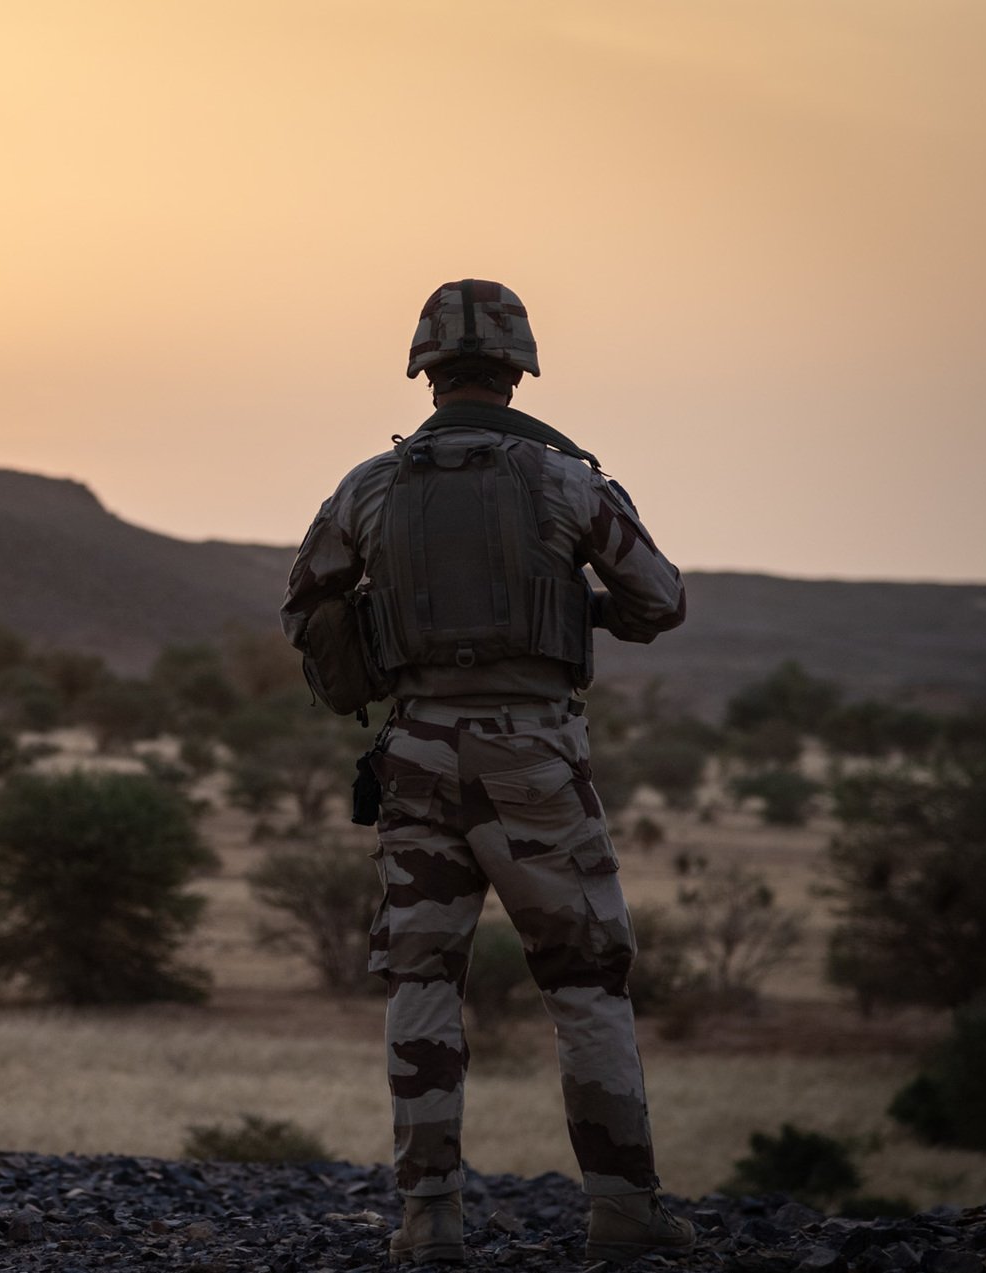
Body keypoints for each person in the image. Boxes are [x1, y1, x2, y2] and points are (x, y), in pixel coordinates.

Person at [279, 280, 692, 1264]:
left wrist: (374, 655)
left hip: (417, 751)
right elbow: (659, 600)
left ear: (424, 371)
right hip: (533, 757)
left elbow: (306, 603)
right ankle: (623, 1212)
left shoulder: (368, 487)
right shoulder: (564, 479)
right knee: (584, 983)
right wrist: (573, 608)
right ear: (517, 369)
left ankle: (428, 1223)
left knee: (420, 978)